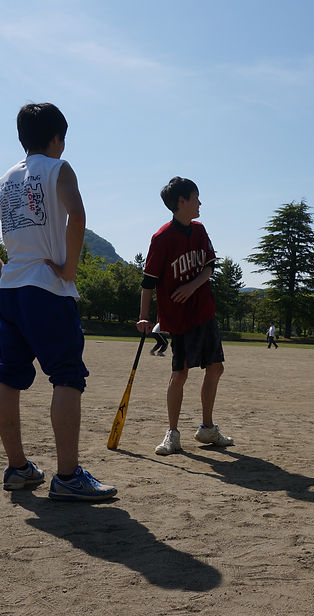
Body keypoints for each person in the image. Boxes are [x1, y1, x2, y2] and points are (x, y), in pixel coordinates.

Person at [0, 102, 116, 501]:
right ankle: (67, 476)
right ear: (56, 138)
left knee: (9, 376)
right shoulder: (58, 169)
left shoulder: (4, 181)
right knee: (67, 376)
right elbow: (78, 216)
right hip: (48, 289)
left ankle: (18, 469)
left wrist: (2, 269)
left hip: (11, 290)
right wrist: (69, 269)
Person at [136, 176, 234, 456]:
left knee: (215, 368)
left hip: (204, 310)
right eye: (195, 197)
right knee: (179, 374)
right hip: (177, 317)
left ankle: (207, 428)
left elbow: (209, 268)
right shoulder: (162, 237)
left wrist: (192, 286)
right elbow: (148, 282)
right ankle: (172, 433)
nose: (200, 202)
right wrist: (144, 316)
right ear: (181, 202)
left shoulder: (200, 231)